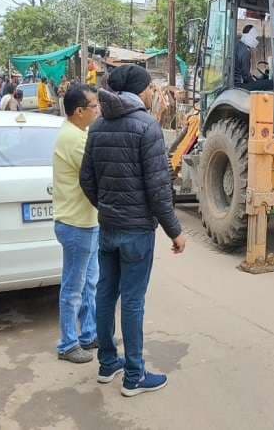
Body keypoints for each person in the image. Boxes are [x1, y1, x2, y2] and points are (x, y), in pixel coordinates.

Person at [80, 65, 185, 397]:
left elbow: (87, 180)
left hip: (109, 228)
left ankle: (108, 363)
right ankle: (135, 376)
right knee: (133, 302)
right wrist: (176, 232)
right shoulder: (147, 127)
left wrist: (108, 207)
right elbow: (158, 190)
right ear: (140, 92)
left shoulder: (97, 127)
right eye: (149, 88)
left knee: (105, 294)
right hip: (137, 231)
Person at [54, 84, 101, 364]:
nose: (98, 110)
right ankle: (68, 343)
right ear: (80, 111)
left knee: (89, 284)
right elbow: (97, 172)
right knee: (73, 288)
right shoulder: (75, 139)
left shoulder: (78, 133)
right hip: (76, 224)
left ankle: (88, 334)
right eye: (94, 105)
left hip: (86, 221)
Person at [234, 25, 272, 91]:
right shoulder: (246, 52)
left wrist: (255, 79)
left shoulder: (238, 45)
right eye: (256, 38)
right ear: (250, 36)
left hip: (235, 83)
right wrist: (254, 82)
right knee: (270, 83)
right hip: (239, 85)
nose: (256, 40)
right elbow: (246, 76)